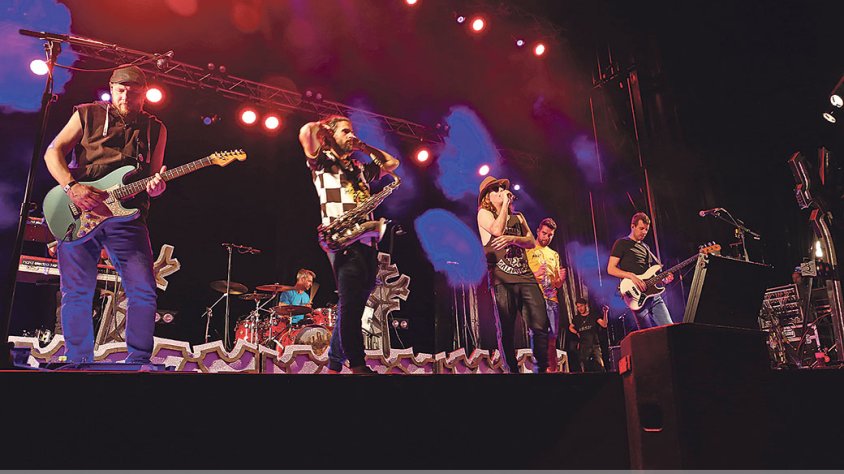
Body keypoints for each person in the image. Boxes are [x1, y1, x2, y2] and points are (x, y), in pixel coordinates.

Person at [43, 65, 167, 364]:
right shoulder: (87, 114)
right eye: (121, 91)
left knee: (143, 290)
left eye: (134, 93)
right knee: (77, 291)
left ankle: (139, 360)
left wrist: (156, 188)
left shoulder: (156, 129)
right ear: (112, 89)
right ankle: (78, 360)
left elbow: (154, 179)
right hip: (81, 210)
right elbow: (53, 152)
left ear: (144, 95)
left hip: (128, 219)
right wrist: (72, 186)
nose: (126, 97)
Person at [298, 115, 399, 374]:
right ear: (330, 136)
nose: (351, 135)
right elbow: (306, 132)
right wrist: (323, 129)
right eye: (345, 131)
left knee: (352, 307)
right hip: (343, 239)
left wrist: (364, 147)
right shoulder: (322, 161)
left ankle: (334, 364)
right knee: (351, 305)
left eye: (352, 131)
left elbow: (392, 163)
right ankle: (357, 363)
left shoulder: (358, 167)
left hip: (367, 242)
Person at [477, 176, 551, 374]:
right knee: (507, 329)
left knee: (540, 324)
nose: (502, 191)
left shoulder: (518, 217)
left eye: (503, 188)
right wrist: (504, 206)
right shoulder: (484, 214)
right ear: (487, 197)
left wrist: (512, 239)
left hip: (526, 277)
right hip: (502, 280)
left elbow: (531, 242)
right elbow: (497, 230)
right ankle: (512, 372)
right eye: (496, 189)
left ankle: (541, 371)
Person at [607, 212, 673, 333]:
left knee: (670, 329)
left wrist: (663, 280)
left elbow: (650, 274)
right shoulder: (622, 243)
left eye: (646, 229)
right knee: (647, 335)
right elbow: (611, 269)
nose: (644, 232)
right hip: (636, 296)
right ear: (633, 226)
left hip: (653, 296)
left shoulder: (646, 247)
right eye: (641, 228)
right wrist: (631, 276)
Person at [526, 217, 567, 373]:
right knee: (538, 336)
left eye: (550, 235)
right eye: (544, 233)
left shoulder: (554, 254)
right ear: (538, 231)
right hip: (535, 298)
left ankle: (552, 371)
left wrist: (560, 280)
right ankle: (540, 371)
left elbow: (557, 283)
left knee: (552, 338)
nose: (547, 237)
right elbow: (521, 276)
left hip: (552, 300)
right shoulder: (528, 250)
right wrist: (536, 274)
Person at [569, 297, 608, 372]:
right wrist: (576, 332)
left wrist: (605, 313)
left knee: (600, 365)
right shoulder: (577, 318)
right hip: (583, 346)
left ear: (586, 305)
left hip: (594, 345)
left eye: (581, 306)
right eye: (578, 307)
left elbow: (604, 324)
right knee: (584, 366)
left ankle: (604, 377)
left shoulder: (593, 315)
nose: (580, 308)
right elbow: (570, 327)